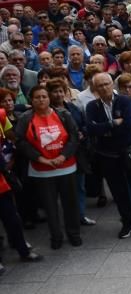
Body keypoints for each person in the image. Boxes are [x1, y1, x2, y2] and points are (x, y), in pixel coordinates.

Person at [85, 73, 131, 240]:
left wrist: (104, 129)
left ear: (112, 85)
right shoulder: (92, 106)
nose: (104, 88)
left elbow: (129, 125)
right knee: (119, 192)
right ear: (95, 88)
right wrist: (113, 123)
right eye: (100, 85)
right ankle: (128, 222)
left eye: (106, 84)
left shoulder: (124, 101)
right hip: (107, 156)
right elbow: (91, 129)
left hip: (129, 152)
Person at [15, 85, 81, 249]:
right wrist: (40, 159)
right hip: (42, 170)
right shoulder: (25, 118)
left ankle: (74, 234)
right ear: (32, 100)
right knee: (50, 207)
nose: (41, 100)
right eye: (37, 97)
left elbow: (74, 137)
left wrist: (63, 155)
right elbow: (20, 142)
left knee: (70, 204)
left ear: (49, 98)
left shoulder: (63, 114)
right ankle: (55, 237)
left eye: (44, 96)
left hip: (66, 167)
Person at [0, 102, 41, 273]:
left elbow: (11, 137)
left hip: (1, 181)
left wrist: (11, 156)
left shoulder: (1, 115)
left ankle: (22, 249)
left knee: (12, 218)